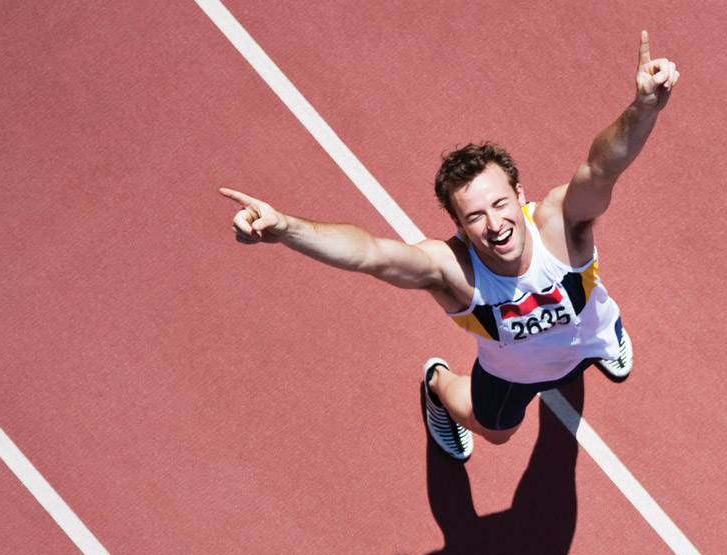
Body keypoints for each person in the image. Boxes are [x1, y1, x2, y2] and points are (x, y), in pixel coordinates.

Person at [221, 31, 678, 461]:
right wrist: (287, 229)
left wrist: (643, 110)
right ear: (457, 224)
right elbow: (370, 254)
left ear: (520, 195)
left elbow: (601, 168)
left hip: (591, 336)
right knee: (497, 433)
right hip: (512, 375)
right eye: (475, 216)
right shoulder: (452, 271)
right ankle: (438, 385)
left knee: (597, 320)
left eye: (500, 204)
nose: (495, 225)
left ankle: (606, 344)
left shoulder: (559, 224)